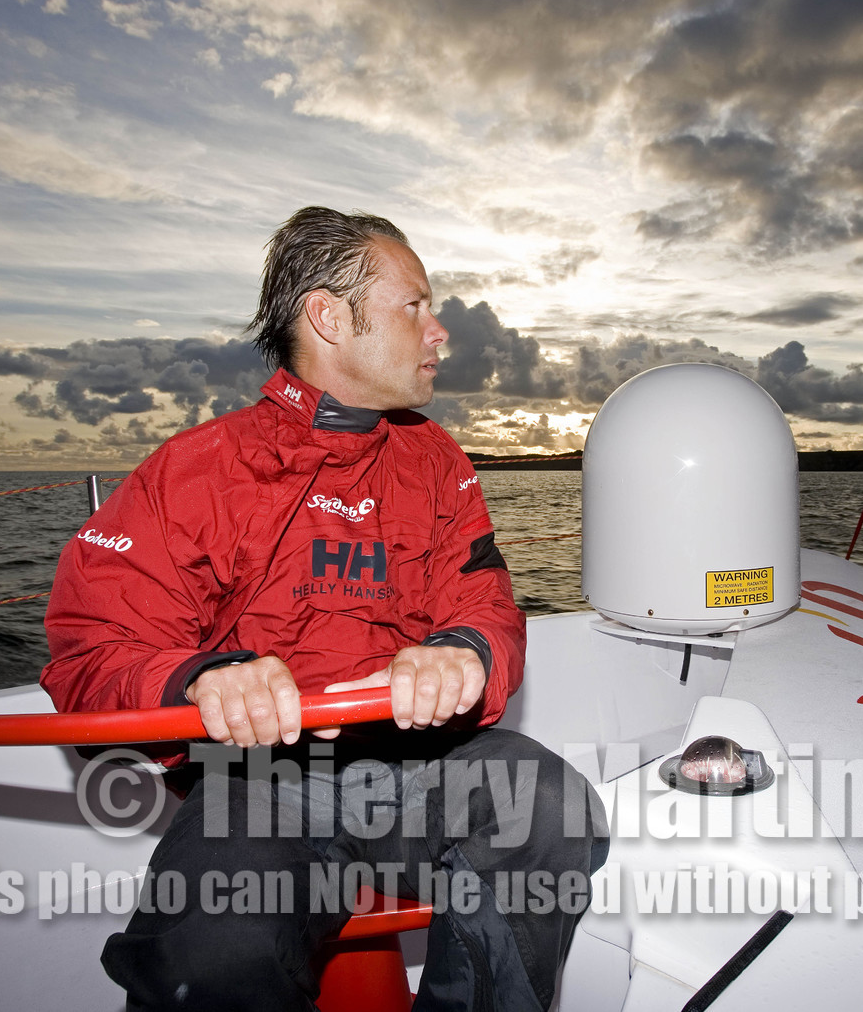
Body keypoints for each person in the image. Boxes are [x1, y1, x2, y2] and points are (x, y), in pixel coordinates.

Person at [42, 207, 605, 1012]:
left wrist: (465, 651)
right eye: (414, 306)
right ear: (330, 318)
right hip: (258, 784)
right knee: (213, 945)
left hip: (419, 771)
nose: (439, 330)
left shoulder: (438, 461)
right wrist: (200, 680)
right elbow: (91, 653)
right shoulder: (194, 471)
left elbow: (485, 601)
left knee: (551, 805)